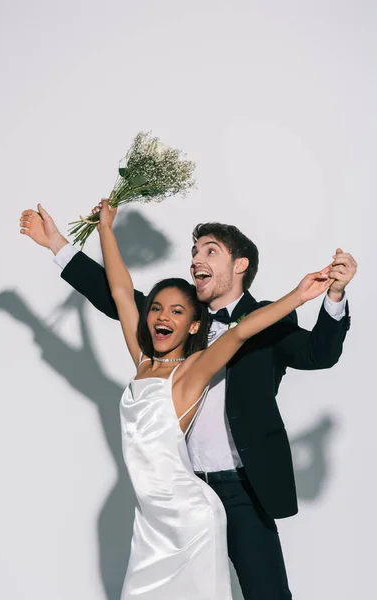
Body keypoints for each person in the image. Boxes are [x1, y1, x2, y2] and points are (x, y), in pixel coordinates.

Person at [19, 202, 356, 599]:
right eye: (194, 252)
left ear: (240, 264)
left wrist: (331, 295)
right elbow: (118, 294)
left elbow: (318, 354)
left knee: (268, 594)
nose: (196, 259)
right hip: (177, 492)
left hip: (243, 489)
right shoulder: (178, 324)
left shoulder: (267, 320)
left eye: (209, 250)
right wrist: (57, 243)